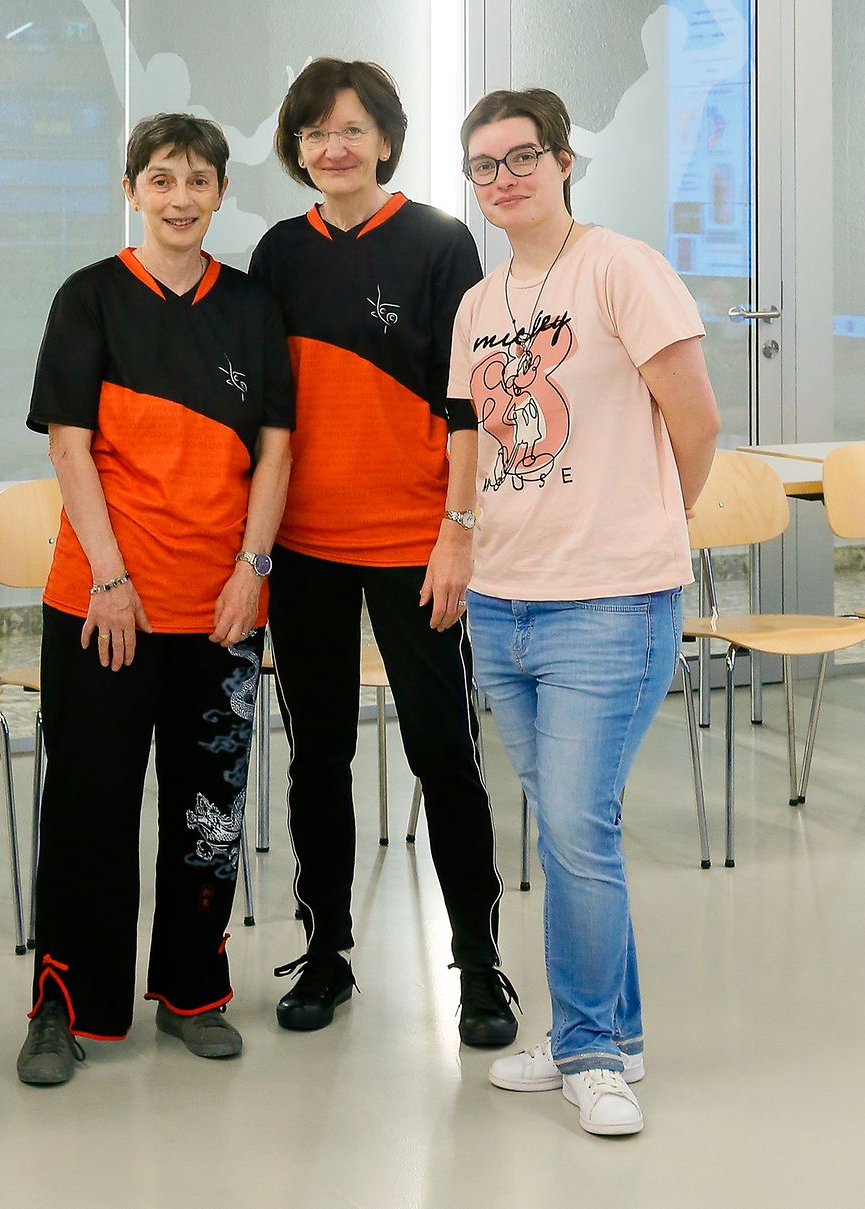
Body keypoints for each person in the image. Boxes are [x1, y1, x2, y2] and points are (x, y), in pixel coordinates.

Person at [450, 88, 719, 1136]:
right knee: (573, 828)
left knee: (571, 823)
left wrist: (653, 524)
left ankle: (591, 1050)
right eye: (484, 165)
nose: (503, 177)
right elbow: (473, 437)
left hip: (608, 601)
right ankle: (610, 1035)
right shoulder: (480, 302)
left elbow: (695, 420)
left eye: (522, 156)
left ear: (563, 160)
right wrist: (461, 541)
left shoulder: (621, 268)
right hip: (501, 601)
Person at [16, 113, 293, 1084]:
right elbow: (69, 446)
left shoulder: (251, 307)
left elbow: (275, 453)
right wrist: (109, 576)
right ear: (131, 189)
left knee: (208, 810)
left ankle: (193, 991)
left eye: (199, 181)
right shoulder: (88, 297)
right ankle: (63, 1006)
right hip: (104, 606)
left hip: (220, 607)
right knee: (87, 809)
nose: (181, 198)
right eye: (162, 180)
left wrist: (252, 568)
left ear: (220, 193)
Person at [248, 58, 517, 1045]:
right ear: (298, 149)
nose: (334, 147)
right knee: (316, 756)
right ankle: (326, 952)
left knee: (444, 751)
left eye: (352, 129)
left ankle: (478, 965)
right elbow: (265, 407)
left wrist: (458, 531)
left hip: (416, 544)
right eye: (316, 132)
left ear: (387, 141)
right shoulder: (279, 252)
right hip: (305, 548)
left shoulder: (440, 242)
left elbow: (471, 402)